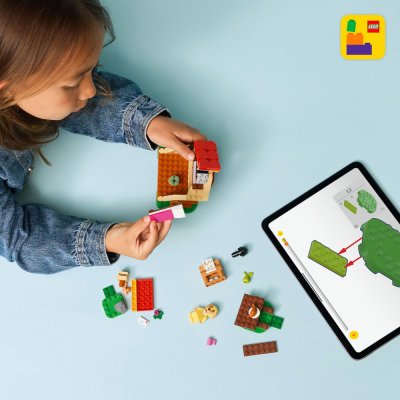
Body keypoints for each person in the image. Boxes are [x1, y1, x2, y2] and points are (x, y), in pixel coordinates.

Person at [0, 0, 206, 274]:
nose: (90, 90)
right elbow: (16, 238)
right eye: (72, 84)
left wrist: (147, 122)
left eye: (92, 69)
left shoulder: (30, 76)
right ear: (7, 89)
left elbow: (78, 99)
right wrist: (107, 240)